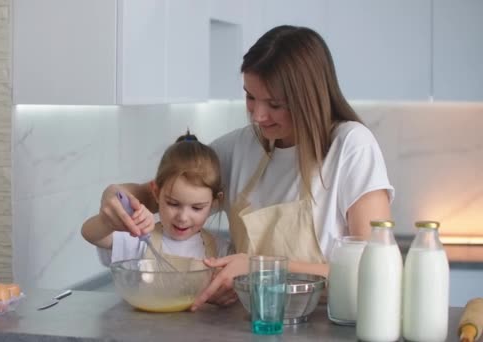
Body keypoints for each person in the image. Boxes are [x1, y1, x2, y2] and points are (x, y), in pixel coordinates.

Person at [95, 25, 394, 310]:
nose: (259, 116)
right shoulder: (241, 147)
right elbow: (163, 189)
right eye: (250, 97)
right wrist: (116, 194)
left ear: (308, 99)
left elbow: (372, 270)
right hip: (252, 322)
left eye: (275, 104)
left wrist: (258, 267)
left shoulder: (351, 146)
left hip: (327, 324)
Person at [81, 131, 229, 266]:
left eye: (196, 208)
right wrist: (108, 222)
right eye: (173, 204)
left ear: (214, 203)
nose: (183, 217)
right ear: (156, 193)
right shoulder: (140, 242)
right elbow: (90, 234)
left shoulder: (221, 251)